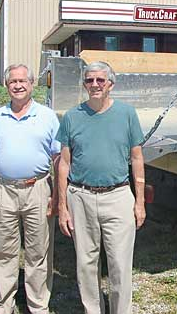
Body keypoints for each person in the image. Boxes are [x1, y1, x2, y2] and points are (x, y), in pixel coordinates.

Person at [57, 61, 146, 314]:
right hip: (80, 197)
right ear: (84, 84)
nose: (94, 84)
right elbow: (64, 163)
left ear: (111, 84)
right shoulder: (72, 117)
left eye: (100, 80)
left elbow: (137, 158)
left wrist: (139, 202)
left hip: (118, 196)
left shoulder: (127, 114)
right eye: (89, 80)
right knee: (86, 264)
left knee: (120, 263)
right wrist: (62, 207)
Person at [0, 64, 60, 314]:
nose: (18, 85)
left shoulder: (47, 116)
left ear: (32, 84)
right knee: (3, 250)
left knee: (39, 250)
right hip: (2, 190)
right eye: (13, 81)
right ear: (6, 86)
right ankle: (4, 303)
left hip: (38, 189)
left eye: (23, 81)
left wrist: (58, 196)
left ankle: (38, 304)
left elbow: (59, 159)